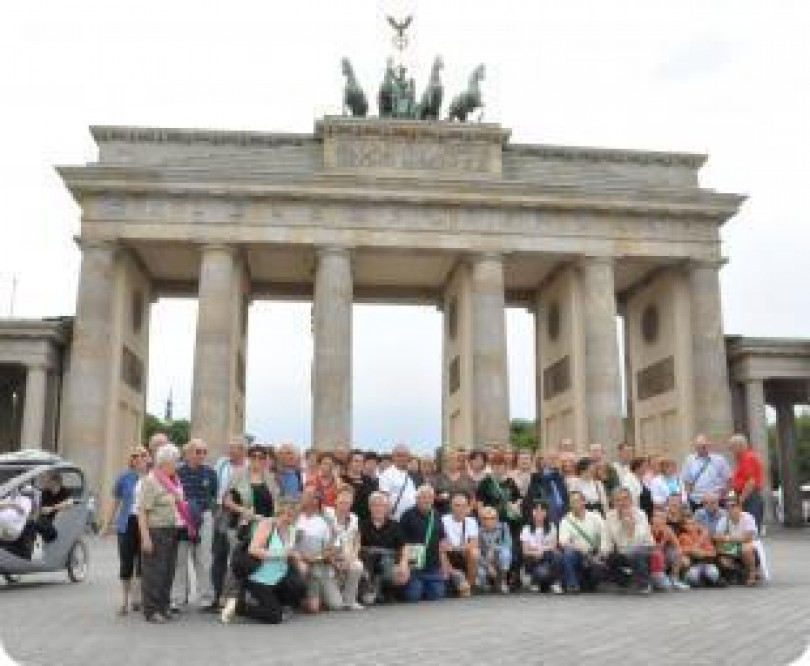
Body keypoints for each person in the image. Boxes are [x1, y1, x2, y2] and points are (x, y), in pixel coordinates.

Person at [225, 500, 307, 624]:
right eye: (289, 514)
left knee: (299, 586)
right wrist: (282, 553)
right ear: (280, 513)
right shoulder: (267, 524)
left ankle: (278, 604)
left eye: (295, 515)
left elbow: (290, 552)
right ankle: (239, 607)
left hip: (279, 575)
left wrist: (298, 561)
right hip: (259, 577)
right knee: (274, 617)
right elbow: (253, 550)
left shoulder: (292, 530)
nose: (292, 518)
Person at [137, 443, 184, 623]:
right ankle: (151, 610)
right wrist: (145, 537)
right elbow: (142, 511)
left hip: (172, 530)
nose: (177, 465)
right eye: (175, 462)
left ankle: (163, 607)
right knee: (154, 572)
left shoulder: (173, 480)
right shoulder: (150, 481)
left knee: (168, 571)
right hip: (156, 530)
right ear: (164, 463)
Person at [173, 438, 218, 612]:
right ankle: (177, 598)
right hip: (182, 518)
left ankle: (206, 598)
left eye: (204, 452)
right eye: (198, 451)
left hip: (204, 517)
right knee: (180, 559)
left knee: (204, 558)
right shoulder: (177, 473)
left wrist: (205, 513)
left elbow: (213, 496)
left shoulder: (210, 473)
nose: (202, 455)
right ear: (187, 453)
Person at [103, 445, 149, 615]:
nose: (140, 458)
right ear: (131, 459)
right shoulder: (124, 477)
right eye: (136, 455)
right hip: (127, 523)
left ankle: (138, 598)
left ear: (149, 458)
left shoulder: (152, 477)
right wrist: (107, 524)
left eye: (144, 455)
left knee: (143, 562)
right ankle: (124, 601)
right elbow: (115, 501)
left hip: (145, 522)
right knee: (126, 562)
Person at [211, 436, 247, 609]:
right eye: (229, 447)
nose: (230, 451)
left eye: (234, 448)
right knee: (219, 555)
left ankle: (236, 597)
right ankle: (217, 595)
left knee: (238, 556)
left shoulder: (248, 468)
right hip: (221, 512)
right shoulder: (221, 465)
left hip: (241, 516)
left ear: (242, 451)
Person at [295, 488, 343, 613]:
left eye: (312, 497)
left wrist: (321, 557)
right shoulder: (293, 517)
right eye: (305, 496)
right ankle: (297, 598)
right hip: (297, 562)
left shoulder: (326, 520)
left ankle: (313, 597)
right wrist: (301, 557)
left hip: (319, 565)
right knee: (302, 569)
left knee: (336, 605)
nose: (307, 499)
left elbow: (335, 547)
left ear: (317, 501)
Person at [359, 491, 409, 605]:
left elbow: (404, 546)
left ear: (387, 508)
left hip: (388, 563)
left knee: (400, 575)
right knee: (368, 600)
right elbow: (356, 547)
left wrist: (404, 563)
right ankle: (371, 589)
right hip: (368, 565)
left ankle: (385, 591)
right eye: (375, 505)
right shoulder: (362, 524)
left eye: (382, 505)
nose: (378, 508)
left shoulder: (395, 525)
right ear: (369, 507)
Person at [399, 485, 448, 602]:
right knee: (413, 596)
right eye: (423, 497)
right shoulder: (407, 515)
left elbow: (442, 541)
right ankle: (416, 586)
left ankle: (423, 586)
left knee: (438, 594)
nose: (427, 500)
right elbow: (402, 542)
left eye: (430, 497)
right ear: (417, 498)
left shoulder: (436, 515)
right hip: (414, 565)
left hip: (433, 566)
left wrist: (444, 565)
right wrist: (404, 564)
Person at [601, 487, 654, 594]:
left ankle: (644, 584)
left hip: (643, 549)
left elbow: (640, 540)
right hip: (622, 551)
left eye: (625, 499)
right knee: (603, 561)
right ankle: (626, 582)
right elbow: (606, 539)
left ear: (630, 500)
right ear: (613, 502)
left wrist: (631, 528)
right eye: (618, 500)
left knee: (634, 552)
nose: (622, 503)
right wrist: (604, 552)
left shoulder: (640, 514)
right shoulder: (610, 516)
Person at [323, 486, 365, 610]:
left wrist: (352, 558)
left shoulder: (354, 518)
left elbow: (357, 542)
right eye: (342, 501)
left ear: (351, 502)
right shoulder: (326, 514)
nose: (344, 504)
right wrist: (333, 561)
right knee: (336, 605)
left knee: (357, 565)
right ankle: (328, 596)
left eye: (348, 501)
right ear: (335, 500)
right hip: (328, 561)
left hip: (346, 558)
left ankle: (349, 600)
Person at [558, 490, 606, 593]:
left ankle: (586, 582)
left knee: (594, 577)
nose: (575, 504)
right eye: (572, 502)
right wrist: (580, 549)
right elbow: (563, 542)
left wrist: (601, 553)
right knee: (568, 553)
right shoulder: (566, 520)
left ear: (584, 502)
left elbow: (605, 535)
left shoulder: (595, 517)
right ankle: (573, 584)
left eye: (577, 501)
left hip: (594, 554)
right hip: (578, 555)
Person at [714, 493, 760, 586]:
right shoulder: (724, 520)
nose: (730, 509)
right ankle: (740, 573)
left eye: (733, 506)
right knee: (722, 558)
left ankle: (752, 573)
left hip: (748, 546)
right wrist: (732, 540)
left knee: (745, 548)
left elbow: (748, 538)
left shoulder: (748, 517)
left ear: (739, 507)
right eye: (728, 507)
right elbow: (717, 537)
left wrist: (728, 538)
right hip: (732, 547)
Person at [520, 500, 563, 594]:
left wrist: (540, 550)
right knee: (536, 567)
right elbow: (525, 550)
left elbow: (554, 546)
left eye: (542, 510)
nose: (539, 513)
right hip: (534, 559)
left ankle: (555, 582)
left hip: (547, 558)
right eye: (536, 510)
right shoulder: (526, 528)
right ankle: (534, 582)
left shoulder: (552, 527)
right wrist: (536, 552)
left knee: (557, 555)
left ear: (546, 512)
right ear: (532, 512)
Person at [441, 493, 479, 597]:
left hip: (462, 553)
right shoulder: (443, 520)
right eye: (457, 505)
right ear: (451, 506)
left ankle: (469, 585)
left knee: (475, 553)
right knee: (441, 550)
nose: (460, 509)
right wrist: (451, 547)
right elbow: (442, 543)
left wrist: (456, 547)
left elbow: (474, 543)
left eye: (463, 506)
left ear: (467, 507)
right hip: (447, 555)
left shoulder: (471, 521)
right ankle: (459, 583)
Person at [682, 434, 731, 512]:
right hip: (696, 500)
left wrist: (722, 496)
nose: (702, 448)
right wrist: (688, 497)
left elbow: (728, 480)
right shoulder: (689, 460)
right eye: (699, 446)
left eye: (704, 446)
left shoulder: (719, 459)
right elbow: (686, 481)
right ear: (695, 447)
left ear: (709, 445)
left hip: (716, 500)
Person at [729, 434, 765, 532]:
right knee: (745, 527)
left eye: (732, 447)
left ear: (740, 446)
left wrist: (741, 498)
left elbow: (751, 481)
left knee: (750, 528)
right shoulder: (744, 459)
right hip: (748, 496)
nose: (731, 451)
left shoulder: (748, 458)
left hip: (750, 497)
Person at [650, 509, 690, 591]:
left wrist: (682, 556)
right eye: (657, 517)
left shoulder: (668, 529)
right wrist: (664, 540)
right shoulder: (648, 529)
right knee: (666, 586)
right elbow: (652, 548)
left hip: (663, 555)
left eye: (663, 518)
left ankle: (674, 579)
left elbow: (678, 546)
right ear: (652, 519)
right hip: (652, 557)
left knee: (677, 553)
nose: (660, 520)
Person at [523, 454, 568, 526]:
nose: (552, 461)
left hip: (562, 518)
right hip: (545, 520)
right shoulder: (536, 478)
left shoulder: (559, 478)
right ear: (542, 462)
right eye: (550, 459)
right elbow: (530, 500)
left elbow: (565, 498)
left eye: (555, 459)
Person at [678, 516, 722, 588]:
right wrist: (693, 549)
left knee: (713, 574)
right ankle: (700, 581)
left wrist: (703, 553)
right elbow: (683, 550)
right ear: (684, 526)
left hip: (706, 563)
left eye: (693, 524)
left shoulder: (703, 536)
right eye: (689, 524)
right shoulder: (683, 536)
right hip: (693, 564)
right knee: (693, 576)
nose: (692, 526)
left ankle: (709, 580)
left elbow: (713, 553)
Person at [476, 506, 512, 593]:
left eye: (492, 518)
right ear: (480, 520)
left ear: (497, 518)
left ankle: (502, 581)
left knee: (506, 553)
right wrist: (488, 566)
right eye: (485, 518)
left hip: (498, 559)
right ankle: (487, 584)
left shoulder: (504, 527)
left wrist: (493, 548)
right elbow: (476, 552)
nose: (489, 521)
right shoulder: (477, 530)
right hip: (483, 561)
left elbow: (508, 544)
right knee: (481, 577)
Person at [377, 445, 417, 521]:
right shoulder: (387, 474)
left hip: (411, 519)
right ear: (393, 457)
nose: (402, 458)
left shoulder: (411, 474)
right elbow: (383, 499)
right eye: (399, 455)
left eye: (405, 455)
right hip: (395, 520)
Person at [433, 449, 475, 515]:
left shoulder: (467, 478)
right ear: (445, 462)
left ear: (459, 462)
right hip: (444, 513)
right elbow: (432, 496)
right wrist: (439, 498)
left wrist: (469, 508)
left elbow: (473, 497)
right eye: (449, 460)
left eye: (455, 460)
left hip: (464, 514)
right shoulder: (438, 478)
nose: (452, 462)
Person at [341, 449, 377, 524]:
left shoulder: (369, 480)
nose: (359, 464)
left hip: (366, 523)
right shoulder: (341, 480)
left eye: (362, 461)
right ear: (349, 463)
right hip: (347, 522)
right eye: (356, 461)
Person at [0, 487, 36, 559]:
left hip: (10, 532)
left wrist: (12, 505)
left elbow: (22, 510)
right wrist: (11, 505)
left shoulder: (26, 501)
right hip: (7, 531)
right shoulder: (10, 499)